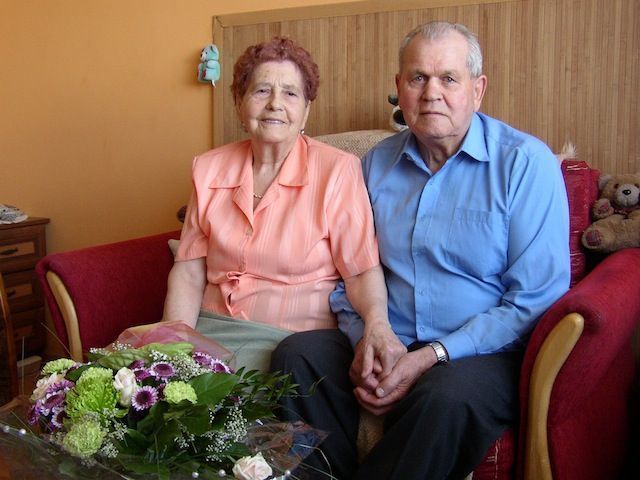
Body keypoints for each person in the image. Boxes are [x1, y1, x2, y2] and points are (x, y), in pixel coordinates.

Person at [270, 21, 571, 480]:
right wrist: (367, 339)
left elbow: (534, 299)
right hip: (388, 335)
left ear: (478, 89)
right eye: (418, 78)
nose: (432, 93)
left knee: (445, 397)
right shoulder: (375, 164)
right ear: (400, 88)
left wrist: (433, 355)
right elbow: (348, 272)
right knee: (297, 355)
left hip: (480, 353)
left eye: (448, 78)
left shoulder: (525, 164)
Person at [162, 36, 388, 373]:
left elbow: (360, 271)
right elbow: (190, 272)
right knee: (133, 384)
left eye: (291, 93)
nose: (275, 104)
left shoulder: (337, 170)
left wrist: (377, 325)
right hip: (209, 329)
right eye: (262, 90)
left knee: (209, 397)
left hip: (286, 343)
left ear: (306, 111)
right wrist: (172, 347)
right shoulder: (208, 169)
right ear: (239, 103)